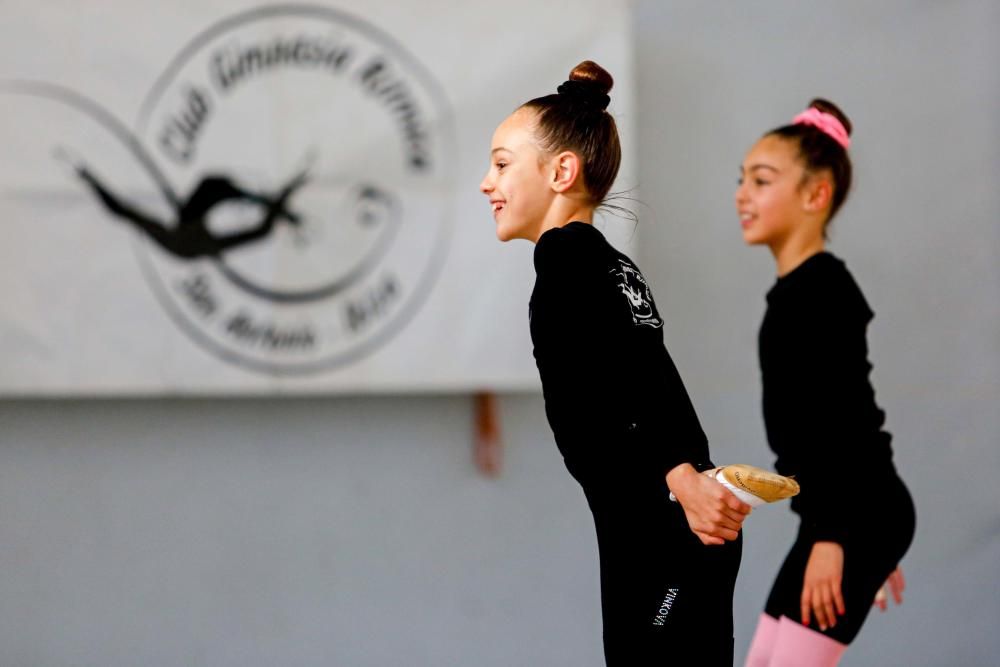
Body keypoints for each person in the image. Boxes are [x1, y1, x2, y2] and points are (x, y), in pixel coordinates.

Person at [480, 60, 752, 666]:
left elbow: (627, 394)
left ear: (561, 171)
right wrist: (689, 476)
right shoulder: (605, 263)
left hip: (663, 541)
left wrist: (680, 477)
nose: (486, 183)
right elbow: (644, 382)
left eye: (501, 164)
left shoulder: (567, 267)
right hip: (680, 531)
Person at [736, 100, 916, 666]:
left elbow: (842, 424)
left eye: (761, 181)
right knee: (763, 658)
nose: (742, 194)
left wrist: (839, 537)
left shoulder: (822, 294)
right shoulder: (798, 293)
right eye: (740, 180)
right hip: (844, 512)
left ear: (816, 196)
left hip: (850, 513)